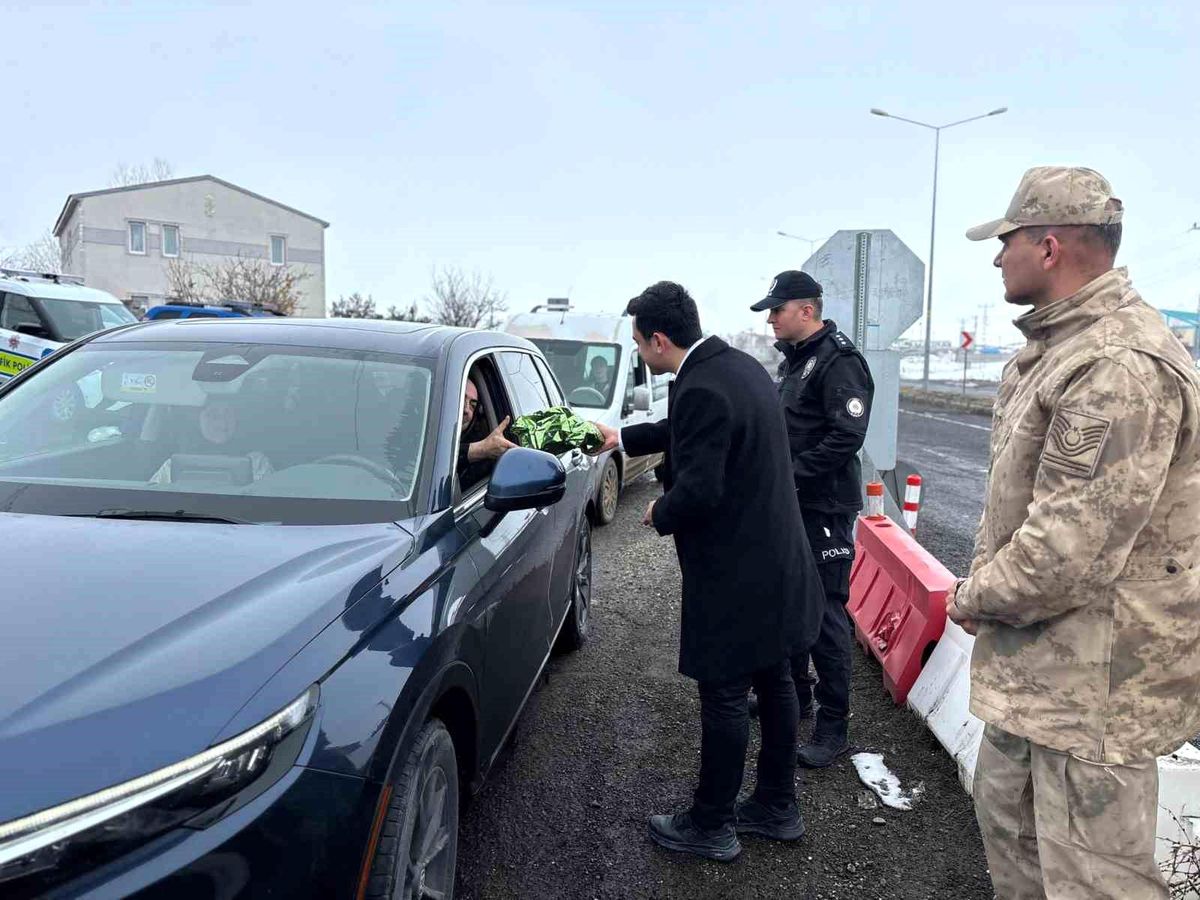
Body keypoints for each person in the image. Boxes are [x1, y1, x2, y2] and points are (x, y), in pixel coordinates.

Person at [947, 166, 1200, 899]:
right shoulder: (1059, 349)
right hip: (1042, 680)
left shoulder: (1114, 365)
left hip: (1093, 692)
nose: (998, 257)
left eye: (1007, 241)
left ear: (1049, 246)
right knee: (1021, 866)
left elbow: (1064, 552)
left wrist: (970, 596)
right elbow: (1020, 511)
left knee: (1094, 884)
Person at [591, 281, 823, 862]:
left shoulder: (701, 387)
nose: (642, 353)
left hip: (735, 575)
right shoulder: (736, 367)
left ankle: (710, 822)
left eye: (641, 343)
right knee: (775, 683)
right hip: (778, 564)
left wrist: (657, 511)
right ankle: (776, 806)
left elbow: (700, 488)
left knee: (723, 693)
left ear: (660, 339)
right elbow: (688, 432)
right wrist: (621, 436)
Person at [749, 271, 873, 768]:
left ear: (807, 310)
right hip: (794, 505)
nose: (770, 319)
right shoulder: (797, 362)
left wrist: (791, 476)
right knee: (790, 603)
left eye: (776, 310)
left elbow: (847, 436)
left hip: (823, 506)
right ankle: (796, 697)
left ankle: (832, 725)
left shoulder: (838, 361)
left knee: (825, 615)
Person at [149, 400, 272, 484]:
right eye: (213, 414)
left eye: (228, 414)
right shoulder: (172, 465)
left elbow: (269, 503)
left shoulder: (257, 462)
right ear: (197, 420)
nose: (222, 423)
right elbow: (152, 500)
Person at [456, 373, 515, 488]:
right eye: (461, 399)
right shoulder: (414, 434)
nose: (466, 410)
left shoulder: (483, 463)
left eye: (473, 405)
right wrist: (480, 449)